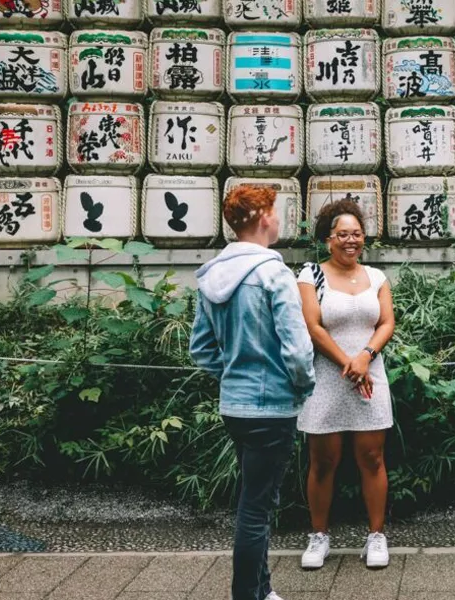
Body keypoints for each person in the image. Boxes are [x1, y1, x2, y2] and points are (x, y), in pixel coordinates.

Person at [189, 184, 315, 600]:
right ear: (262, 217)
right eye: (276, 212)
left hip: (234, 406)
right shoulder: (274, 273)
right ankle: (249, 595)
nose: (279, 220)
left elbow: (201, 349)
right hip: (273, 407)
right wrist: (302, 386)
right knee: (257, 508)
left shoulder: (212, 275)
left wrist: (232, 375)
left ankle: (262, 590)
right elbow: (297, 350)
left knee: (254, 499)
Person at [296, 199, 396, 570]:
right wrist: (348, 363)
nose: (350, 240)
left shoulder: (377, 277)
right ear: (328, 240)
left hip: (370, 376)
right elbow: (313, 327)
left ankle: (376, 536)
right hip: (327, 377)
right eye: (342, 234)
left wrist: (365, 357)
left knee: (372, 458)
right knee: (323, 461)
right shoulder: (310, 275)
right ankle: (319, 536)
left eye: (356, 234)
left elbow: (386, 322)